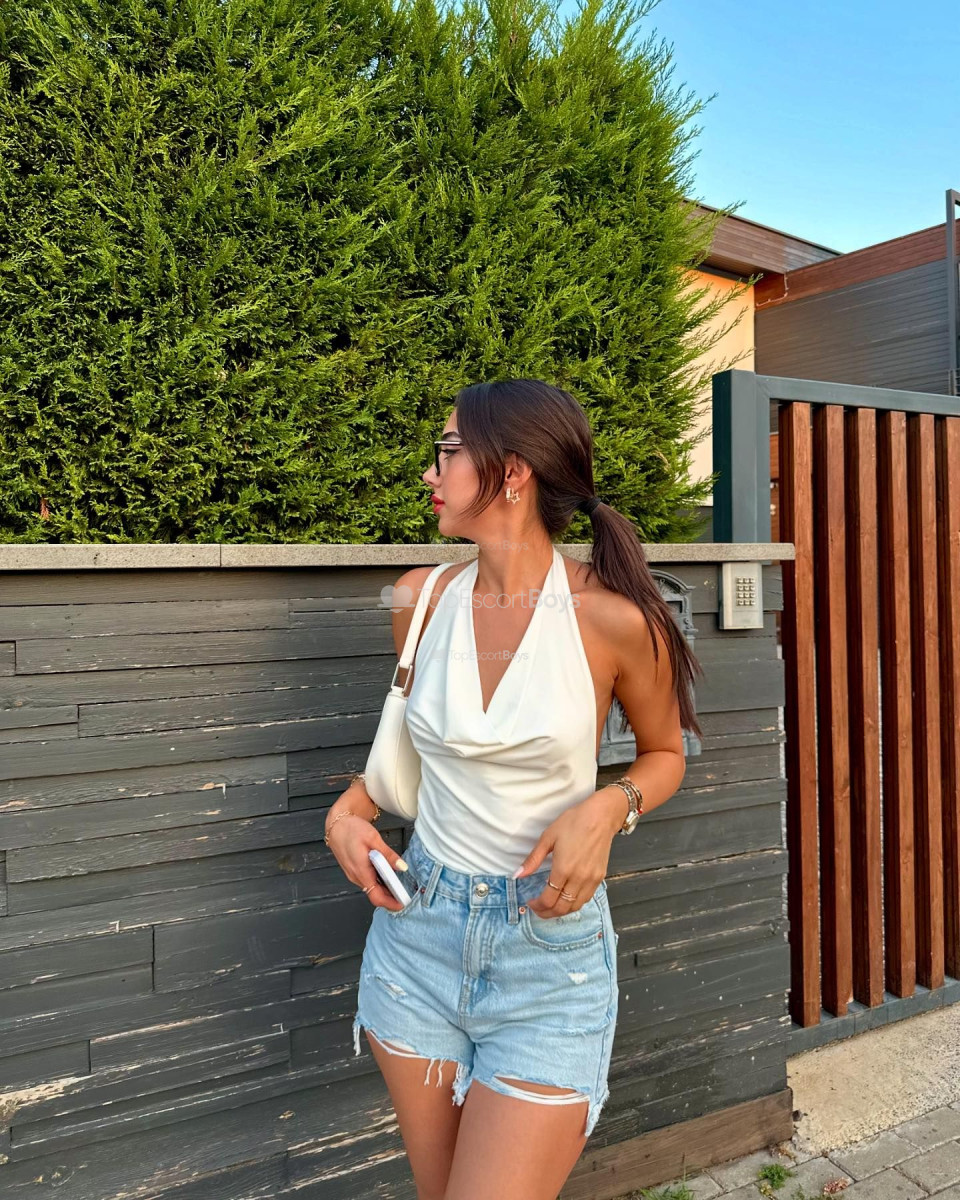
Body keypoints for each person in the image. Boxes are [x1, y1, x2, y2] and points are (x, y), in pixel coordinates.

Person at [324, 379, 702, 1200]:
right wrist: (346, 818)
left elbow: (665, 753)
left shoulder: (613, 618)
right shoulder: (418, 600)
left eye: (448, 451)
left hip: (547, 955)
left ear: (514, 471)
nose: (431, 472)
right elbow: (404, 763)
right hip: (417, 939)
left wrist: (610, 805)